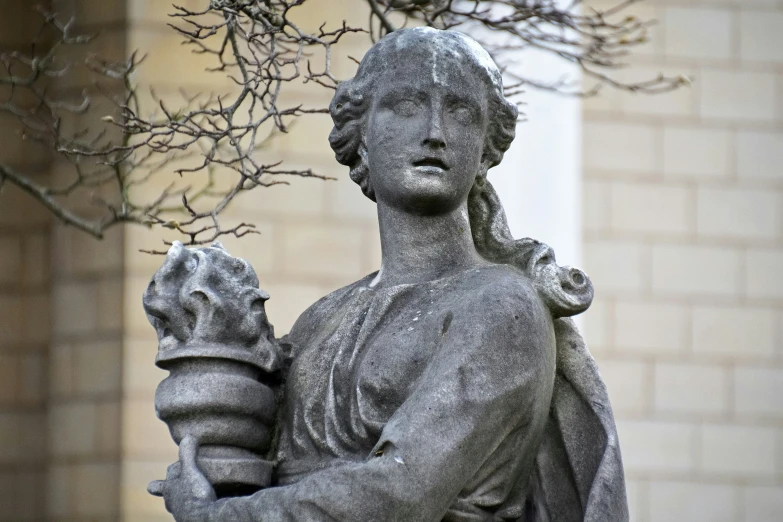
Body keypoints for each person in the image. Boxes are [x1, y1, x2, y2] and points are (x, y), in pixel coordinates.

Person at [153, 27, 628, 522]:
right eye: (406, 105)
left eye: (461, 112)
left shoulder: (500, 305)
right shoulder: (320, 322)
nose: (435, 132)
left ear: (487, 147)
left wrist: (218, 518)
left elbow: (400, 491)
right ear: (359, 135)